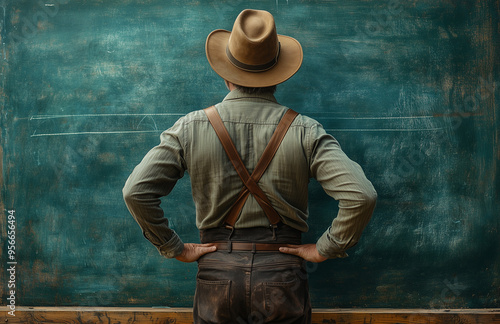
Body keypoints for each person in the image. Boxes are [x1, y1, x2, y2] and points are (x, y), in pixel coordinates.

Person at [123, 8, 377, 324]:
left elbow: (136, 192)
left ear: (226, 73)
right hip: (282, 276)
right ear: (277, 76)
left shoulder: (190, 127)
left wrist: (175, 248)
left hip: (217, 273)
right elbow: (361, 195)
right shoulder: (306, 130)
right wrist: (324, 249)